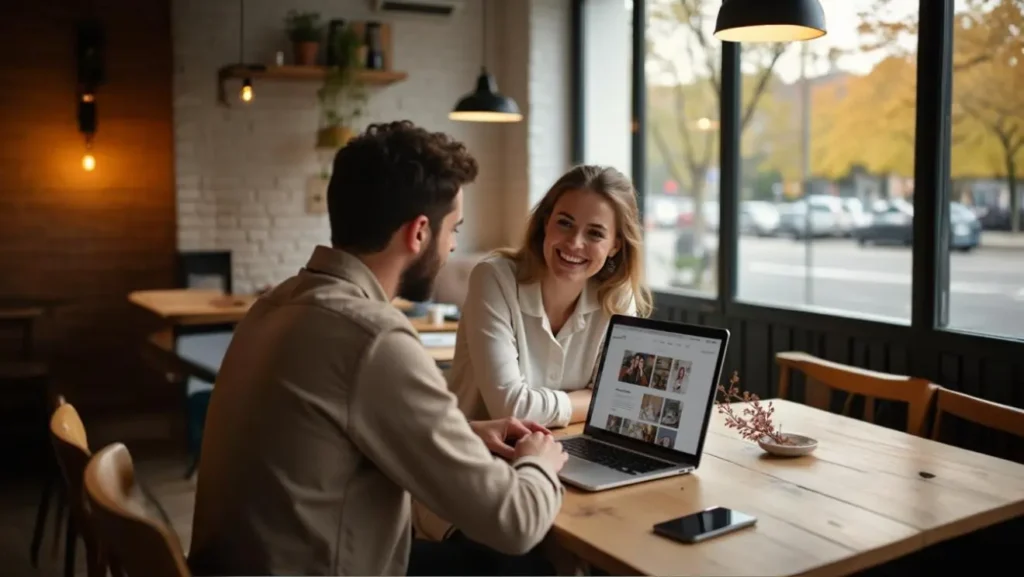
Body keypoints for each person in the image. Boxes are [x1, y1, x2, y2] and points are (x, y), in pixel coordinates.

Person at [186, 121, 568, 577]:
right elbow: (515, 522)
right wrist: (539, 463)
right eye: (454, 230)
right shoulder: (373, 337)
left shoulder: (276, 303)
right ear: (419, 233)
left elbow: (338, 425)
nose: (452, 248)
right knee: (528, 566)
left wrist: (462, 433)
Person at [447, 165, 652, 431]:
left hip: (565, 448)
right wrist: (597, 399)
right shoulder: (494, 278)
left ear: (615, 245)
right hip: (481, 456)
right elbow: (512, 410)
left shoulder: (618, 297)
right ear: (546, 223)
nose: (574, 243)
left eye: (595, 233)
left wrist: (610, 399)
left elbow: (624, 400)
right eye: (565, 223)